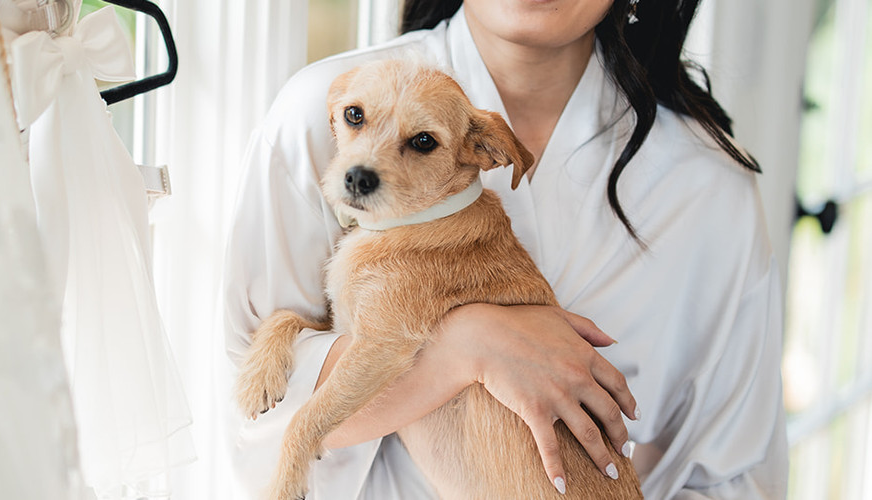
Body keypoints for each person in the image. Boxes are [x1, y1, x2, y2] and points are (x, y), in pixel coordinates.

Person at [222, 0, 789, 498]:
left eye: (421, 143)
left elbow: (735, 479)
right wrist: (466, 346)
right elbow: (249, 418)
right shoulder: (320, 114)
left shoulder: (711, 189)